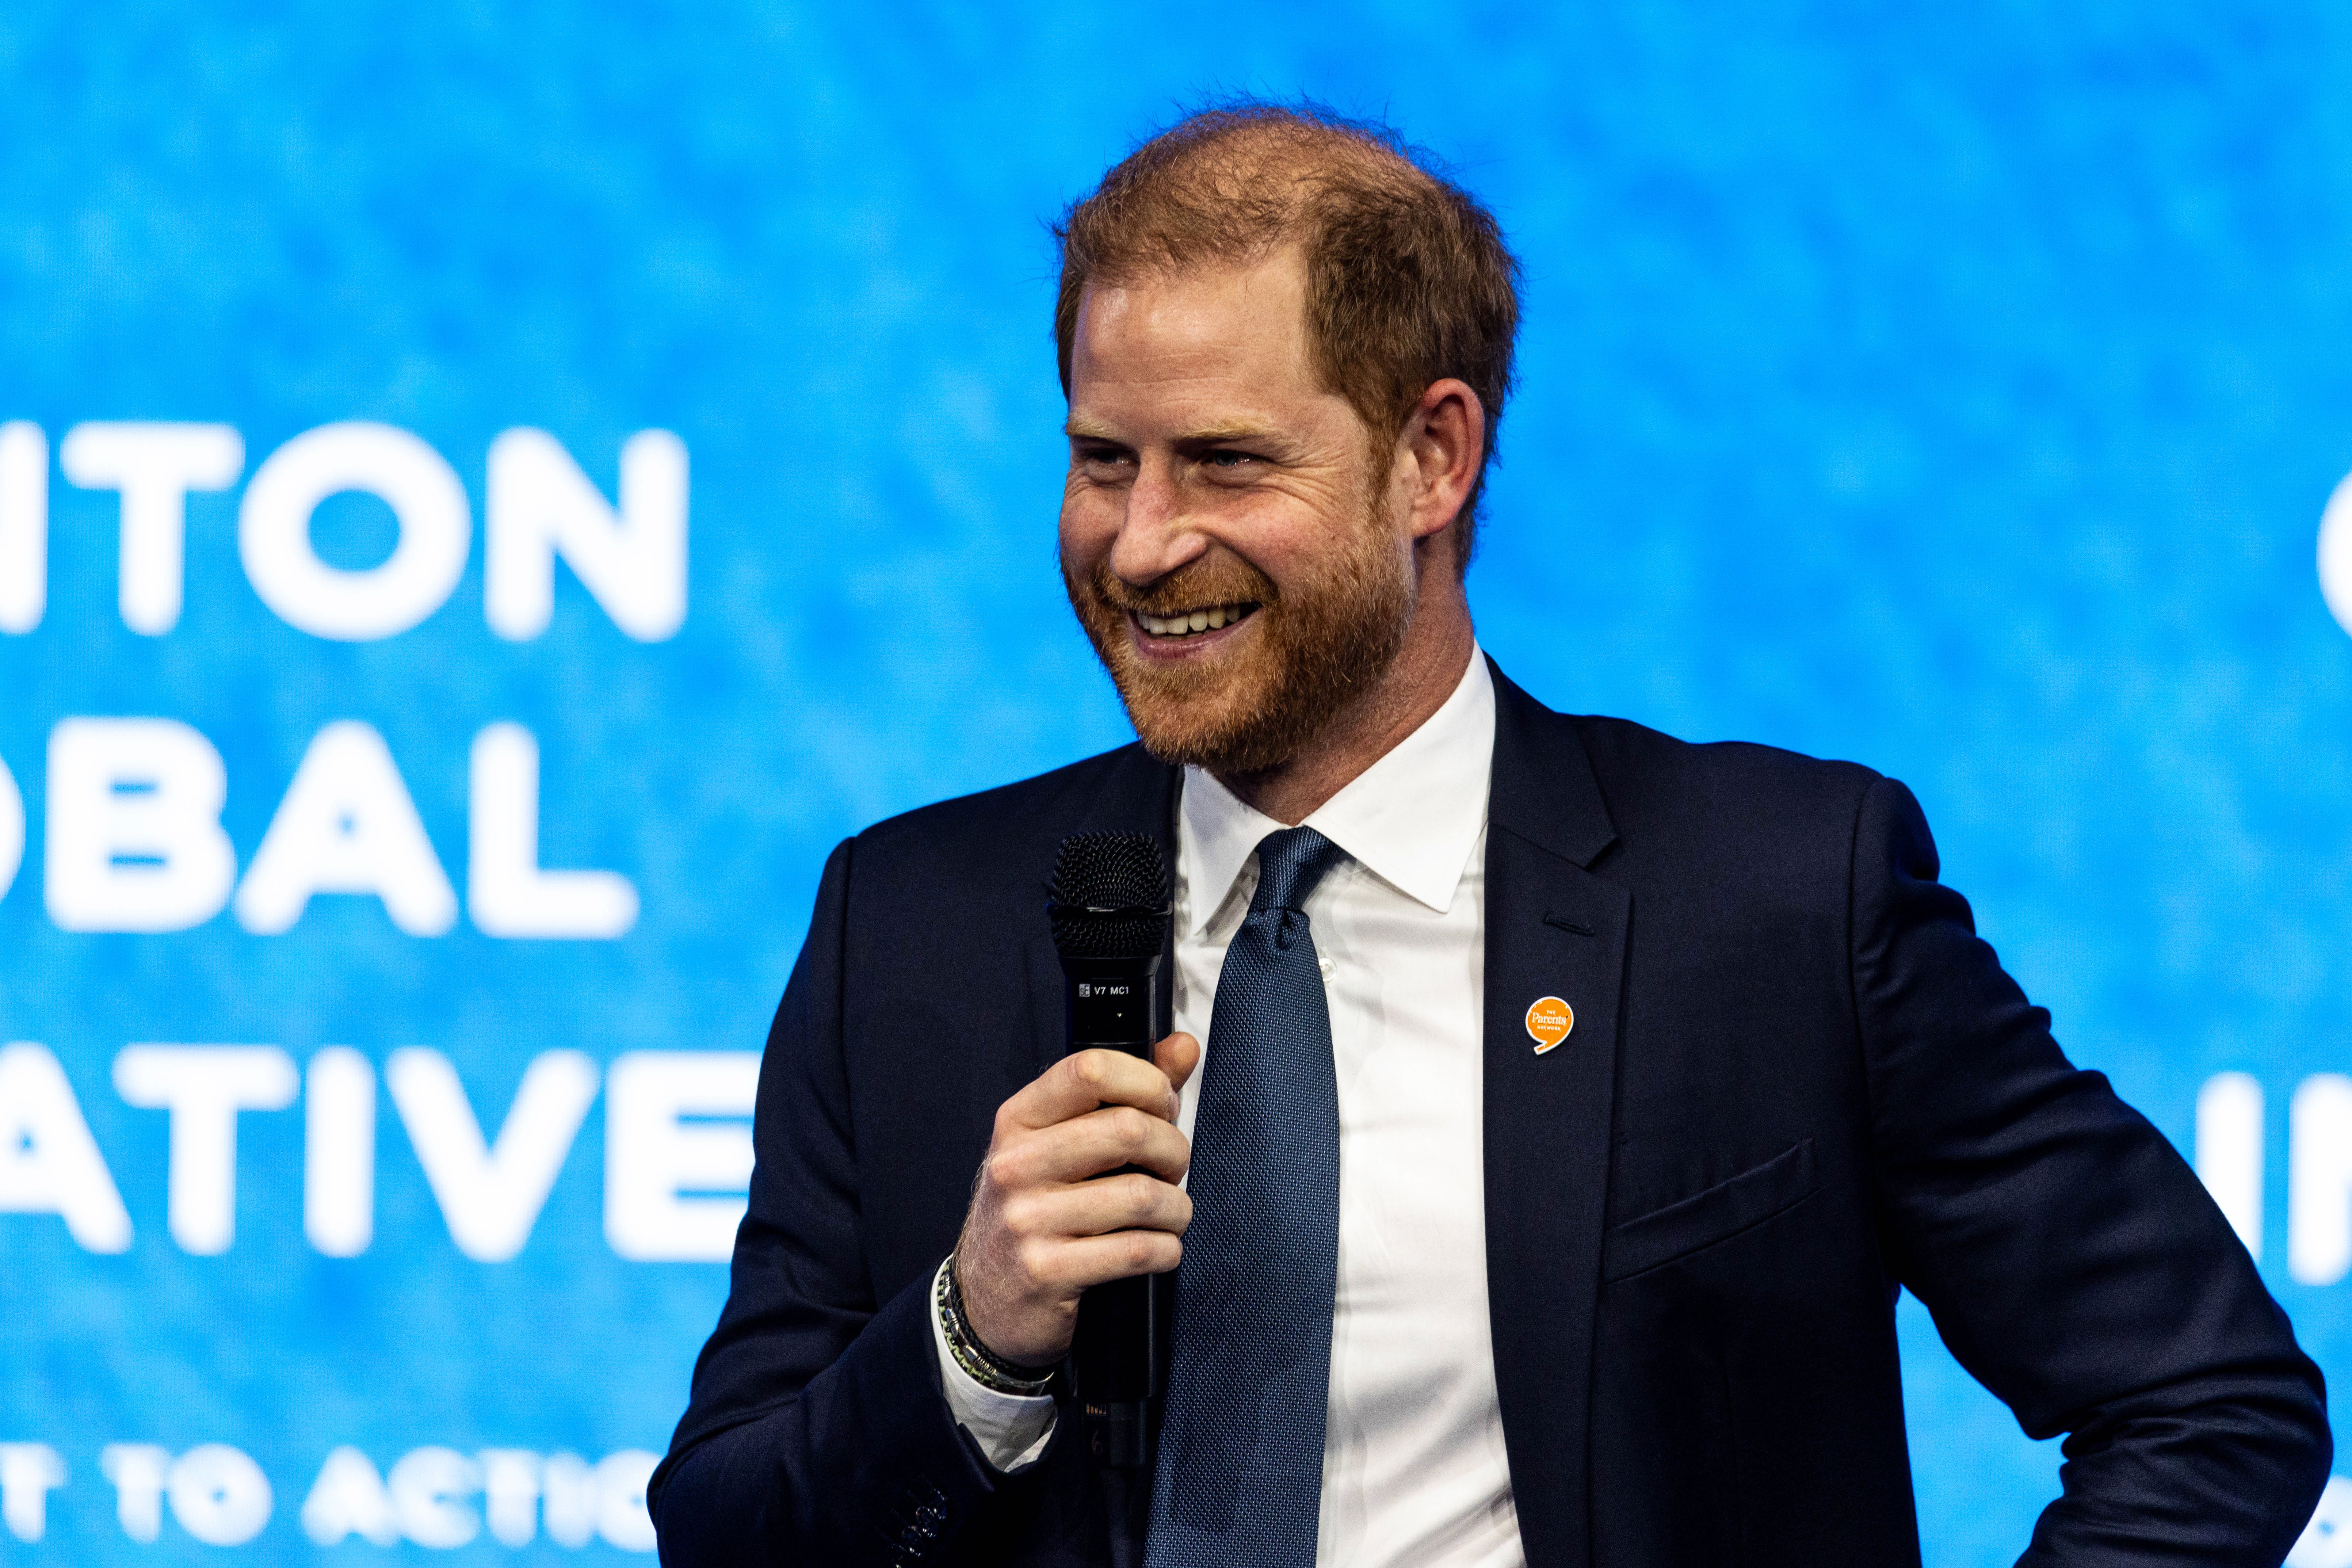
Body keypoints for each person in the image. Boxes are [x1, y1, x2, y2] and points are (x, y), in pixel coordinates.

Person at [648, 104, 2330, 1568]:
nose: (1141, 544)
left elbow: (2207, 1404)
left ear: (1428, 458)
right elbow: (728, 1537)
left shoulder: (1771, 897)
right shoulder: (912, 923)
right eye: (1104, 460)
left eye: (1225, 463)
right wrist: (975, 1337)